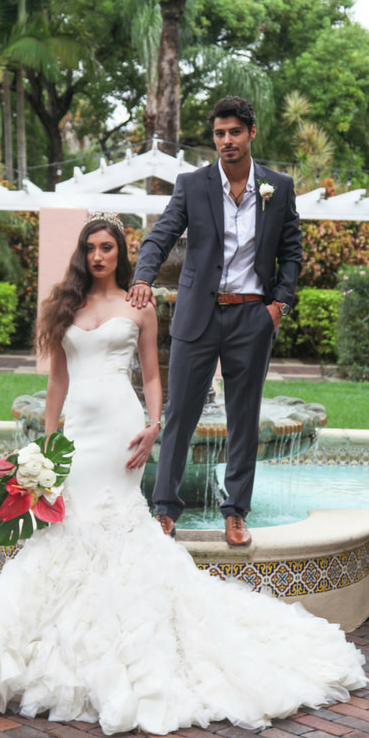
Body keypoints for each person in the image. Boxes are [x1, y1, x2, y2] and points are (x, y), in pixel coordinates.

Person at [0, 214, 365, 736]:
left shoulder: (139, 305)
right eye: (91, 248)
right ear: (82, 253)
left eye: (107, 248)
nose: (99, 256)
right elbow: (56, 381)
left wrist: (154, 427)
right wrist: (46, 446)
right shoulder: (64, 306)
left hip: (122, 434)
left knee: (118, 528)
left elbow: (150, 373)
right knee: (65, 532)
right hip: (77, 435)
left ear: (120, 255)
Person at [128, 96, 303, 547]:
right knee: (181, 413)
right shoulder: (193, 184)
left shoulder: (278, 188)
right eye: (219, 134)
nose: (226, 141)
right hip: (197, 317)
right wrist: (144, 275)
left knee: (243, 419)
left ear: (251, 133)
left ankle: (236, 513)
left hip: (252, 316)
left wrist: (277, 307)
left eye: (234, 132)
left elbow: (292, 253)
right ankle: (165, 510)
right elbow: (162, 233)